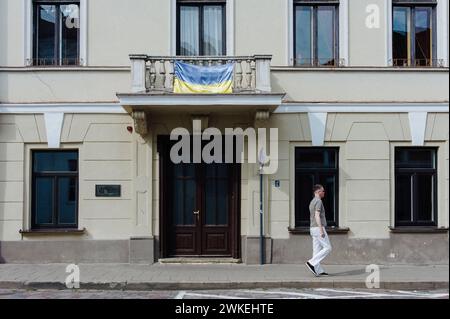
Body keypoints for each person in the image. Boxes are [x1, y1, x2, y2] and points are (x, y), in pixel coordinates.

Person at [305, 184, 332, 276]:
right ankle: (311, 262)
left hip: (313, 228)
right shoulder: (318, 201)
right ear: (317, 192)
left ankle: (318, 270)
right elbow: (317, 216)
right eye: (322, 191)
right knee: (328, 248)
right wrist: (321, 229)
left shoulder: (312, 201)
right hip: (318, 228)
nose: (324, 192)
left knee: (316, 251)